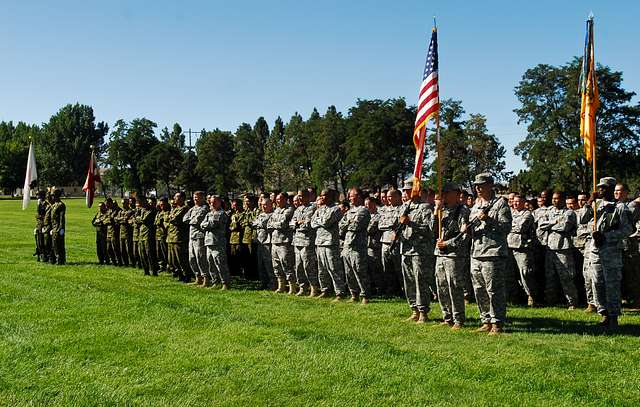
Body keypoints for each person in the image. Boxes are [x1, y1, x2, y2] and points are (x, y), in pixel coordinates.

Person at [463, 173, 511, 335]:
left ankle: (497, 322)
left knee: (494, 290)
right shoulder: (475, 205)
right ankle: (486, 320)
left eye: (481, 185)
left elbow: (506, 228)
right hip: (476, 252)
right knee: (479, 289)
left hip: (493, 253)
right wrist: (466, 229)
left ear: (490, 185)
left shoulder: (500, 204)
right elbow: (473, 228)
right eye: (476, 185)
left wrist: (489, 220)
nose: (478, 188)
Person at [582, 177, 634, 329]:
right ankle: (603, 313)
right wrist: (589, 202)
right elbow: (582, 219)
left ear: (612, 188)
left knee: (612, 284)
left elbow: (628, 229)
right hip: (595, 250)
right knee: (597, 282)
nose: (600, 190)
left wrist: (606, 237)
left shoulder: (621, 207)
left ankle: (613, 316)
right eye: (599, 187)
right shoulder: (596, 204)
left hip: (611, 250)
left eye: (604, 188)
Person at [434, 182, 470, 329]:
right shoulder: (442, 210)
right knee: (441, 286)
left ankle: (458, 319)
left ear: (456, 194)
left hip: (454, 255)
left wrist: (447, 244)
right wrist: (436, 211)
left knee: (454, 286)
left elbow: (464, 236)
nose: (444, 196)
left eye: (447, 193)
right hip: (440, 254)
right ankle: (447, 316)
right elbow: (433, 230)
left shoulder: (462, 210)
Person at [398, 181, 435, 324]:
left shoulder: (425, 208)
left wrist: (411, 223)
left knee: (421, 281)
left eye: (409, 191)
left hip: (420, 250)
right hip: (406, 249)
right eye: (405, 191)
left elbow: (428, 229)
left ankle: (423, 311)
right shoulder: (405, 207)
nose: (406, 193)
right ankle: (414, 309)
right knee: (409, 282)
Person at [537, 191, 579, 309]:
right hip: (550, 247)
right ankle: (551, 300)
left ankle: (572, 301)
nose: (554, 201)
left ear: (562, 199)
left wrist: (550, 225)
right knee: (550, 275)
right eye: (553, 199)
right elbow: (541, 225)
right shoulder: (549, 211)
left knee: (567, 276)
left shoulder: (569, 212)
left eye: (557, 199)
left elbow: (565, 226)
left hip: (563, 247)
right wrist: (554, 222)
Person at [311, 189, 347, 300]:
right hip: (320, 242)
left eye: (324, 196)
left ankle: (340, 292)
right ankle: (325, 290)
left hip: (330, 243)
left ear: (330, 197)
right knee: (321, 269)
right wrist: (320, 221)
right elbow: (312, 223)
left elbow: (327, 222)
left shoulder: (336, 209)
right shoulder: (320, 209)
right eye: (321, 196)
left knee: (334, 268)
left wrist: (318, 221)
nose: (321, 198)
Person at [339, 187, 372, 304]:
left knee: (360, 270)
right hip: (347, 245)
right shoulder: (349, 212)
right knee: (348, 272)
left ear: (358, 196)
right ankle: (354, 294)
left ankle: (365, 295)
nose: (349, 198)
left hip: (358, 245)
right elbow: (341, 227)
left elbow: (356, 226)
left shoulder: (363, 210)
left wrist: (347, 224)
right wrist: (348, 223)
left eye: (351, 195)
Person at [507, 195, 537, 306]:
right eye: (514, 202)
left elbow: (521, 228)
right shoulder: (511, 213)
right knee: (511, 273)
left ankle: (531, 296)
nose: (515, 204)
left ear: (524, 202)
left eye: (518, 202)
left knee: (525, 273)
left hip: (522, 247)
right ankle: (516, 297)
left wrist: (509, 226)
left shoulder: (527, 214)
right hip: (510, 246)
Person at [614, 183, 640, 306]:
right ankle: (622, 298)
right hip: (616, 246)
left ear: (626, 192)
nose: (616, 193)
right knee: (619, 275)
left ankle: (636, 300)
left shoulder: (631, 205)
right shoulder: (613, 205)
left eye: (619, 191)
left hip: (629, 245)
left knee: (632, 274)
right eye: (615, 190)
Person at [290, 190, 319, 296]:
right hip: (297, 241)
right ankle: (302, 288)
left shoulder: (312, 208)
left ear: (307, 196)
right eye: (299, 196)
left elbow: (308, 224)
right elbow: (291, 224)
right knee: (298, 266)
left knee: (308, 266)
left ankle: (314, 288)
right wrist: (298, 223)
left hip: (307, 241)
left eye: (302, 196)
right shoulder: (298, 209)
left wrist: (299, 223)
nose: (300, 198)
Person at [267, 192, 296, 293]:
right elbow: (268, 224)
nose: (278, 201)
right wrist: (275, 224)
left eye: (280, 199)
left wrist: (274, 224)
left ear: (285, 199)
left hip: (284, 242)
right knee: (276, 265)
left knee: (287, 265)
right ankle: (281, 286)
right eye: (277, 199)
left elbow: (283, 224)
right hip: (274, 241)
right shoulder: (276, 210)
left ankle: (292, 287)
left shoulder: (289, 209)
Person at [201, 195, 231, 289]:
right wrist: (206, 224)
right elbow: (202, 224)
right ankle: (215, 282)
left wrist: (206, 225)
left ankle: (225, 283)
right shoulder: (209, 213)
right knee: (211, 263)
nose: (212, 204)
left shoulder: (222, 213)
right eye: (210, 202)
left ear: (219, 202)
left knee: (220, 263)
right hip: (209, 241)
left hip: (218, 242)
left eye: (214, 202)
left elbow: (213, 224)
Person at [378, 189, 403, 296]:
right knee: (387, 267)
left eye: (391, 196)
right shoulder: (385, 210)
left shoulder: (402, 209)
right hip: (385, 241)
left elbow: (397, 224)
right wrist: (390, 225)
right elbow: (380, 225)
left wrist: (390, 225)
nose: (388, 198)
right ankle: (392, 289)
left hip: (396, 242)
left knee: (399, 267)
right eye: (387, 196)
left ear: (398, 197)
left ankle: (403, 289)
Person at [183, 191, 210, 286]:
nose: (195, 199)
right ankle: (197, 277)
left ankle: (205, 278)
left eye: (197, 197)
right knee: (192, 258)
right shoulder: (192, 209)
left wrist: (191, 220)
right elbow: (184, 219)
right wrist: (192, 220)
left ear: (203, 198)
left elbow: (198, 220)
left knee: (200, 257)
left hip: (199, 236)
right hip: (192, 236)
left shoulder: (205, 208)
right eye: (194, 197)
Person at [574, 192, 594, 311]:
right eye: (579, 200)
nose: (581, 202)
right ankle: (590, 302)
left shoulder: (595, 209)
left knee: (592, 275)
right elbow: (581, 220)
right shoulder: (579, 212)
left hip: (593, 245)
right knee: (585, 274)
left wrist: (591, 202)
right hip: (581, 246)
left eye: (584, 200)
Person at [252, 197, 275, 289]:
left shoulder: (273, 215)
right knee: (261, 264)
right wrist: (259, 224)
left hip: (268, 242)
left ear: (271, 205)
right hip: (260, 242)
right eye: (262, 205)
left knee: (269, 264)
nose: (263, 207)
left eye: (265, 205)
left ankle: (273, 283)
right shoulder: (261, 215)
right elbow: (253, 224)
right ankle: (264, 283)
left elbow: (265, 225)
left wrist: (259, 224)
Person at [167, 192, 190, 282]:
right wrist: (171, 217)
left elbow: (175, 219)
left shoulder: (184, 209)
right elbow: (168, 218)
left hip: (179, 237)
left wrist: (171, 217)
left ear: (182, 199)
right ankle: (179, 274)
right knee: (173, 259)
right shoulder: (175, 209)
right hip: (171, 237)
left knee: (181, 258)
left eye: (177, 197)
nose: (174, 198)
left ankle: (186, 275)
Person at [365, 196, 384, 296]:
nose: (367, 206)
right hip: (366, 246)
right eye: (365, 204)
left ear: (373, 204)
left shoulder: (378, 216)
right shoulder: (366, 215)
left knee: (376, 269)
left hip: (375, 246)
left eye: (368, 204)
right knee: (368, 269)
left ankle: (380, 289)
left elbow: (369, 229)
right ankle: (372, 288)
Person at [136, 197, 158, 276]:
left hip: (149, 234)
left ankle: (153, 270)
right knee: (142, 253)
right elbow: (136, 219)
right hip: (141, 234)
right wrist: (138, 218)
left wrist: (138, 218)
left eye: (141, 203)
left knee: (150, 253)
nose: (140, 205)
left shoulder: (152, 210)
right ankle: (146, 270)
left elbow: (144, 220)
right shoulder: (142, 210)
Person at [116, 198, 135, 267]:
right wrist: (122, 219)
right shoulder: (120, 212)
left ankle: (132, 263)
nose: (123, 204)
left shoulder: (130, 211)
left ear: (128, 203)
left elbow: (125, 220)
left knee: (129, 249)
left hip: (128, 233)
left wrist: (121, 220)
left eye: (124, 203)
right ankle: (125, 263)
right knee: (122, 249)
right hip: (121, 233)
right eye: (122, 203)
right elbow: (116, 220)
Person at [50, 188, 66, 265]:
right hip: (54, 226)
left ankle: (60, 259)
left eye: (53, 195)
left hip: (58, 227)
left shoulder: (61, 205)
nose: (52, 197)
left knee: (58, 244)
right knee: (54, 244)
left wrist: (61, 228)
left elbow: (61, 217)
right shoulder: (54, 205)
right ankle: (56, 259)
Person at [105, 198, 122, 266]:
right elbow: (105, 220)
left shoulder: (118, 210)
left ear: (111, 203)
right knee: (109, 248)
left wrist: (109, 220)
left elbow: (114, 220)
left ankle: (120, 261)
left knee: (116, 248)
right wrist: (109, 220)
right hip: (109, 232)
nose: (106, 206)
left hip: (115, 232)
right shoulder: (109, 211)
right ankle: (114, 262)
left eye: (107, 205)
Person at [155, 197, 170, 273]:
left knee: (165, 252)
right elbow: (156, 223)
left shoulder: (168, 212)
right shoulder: (159, 213)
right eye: (160, 204)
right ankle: (162, 266)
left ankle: (169, 266)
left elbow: (166, 224)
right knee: (159, 252)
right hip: (158, 235)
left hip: (165, 235)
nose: (162, 206)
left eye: (163, 204)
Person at [34, 190, 48, 262]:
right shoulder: (39, 203)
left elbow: (46, 215)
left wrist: (40, 217)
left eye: (38, 195)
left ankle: (45, 255)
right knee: (38, 240)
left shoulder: (46, 204)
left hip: (44, 224)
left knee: (43, 241)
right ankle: (39, 253)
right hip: (39, 224)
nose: (37, 196)